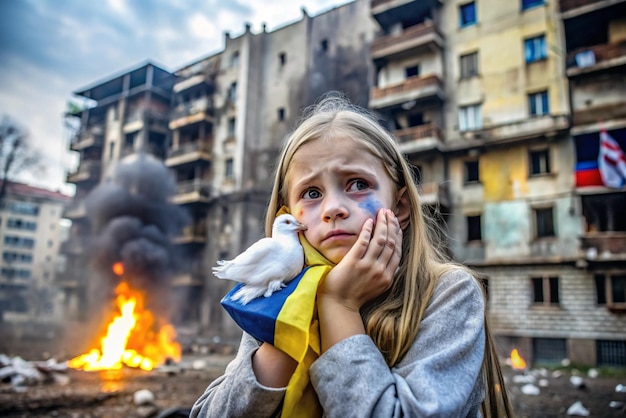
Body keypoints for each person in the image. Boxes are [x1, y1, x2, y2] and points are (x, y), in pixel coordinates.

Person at [190, 93, 513, 417]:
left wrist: (337, 305)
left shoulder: (447, 293)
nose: (333, 209)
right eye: (312, 193)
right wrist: (289, 329)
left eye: (358, 184)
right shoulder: (277, 296)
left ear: (398, 207)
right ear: (288, 213)